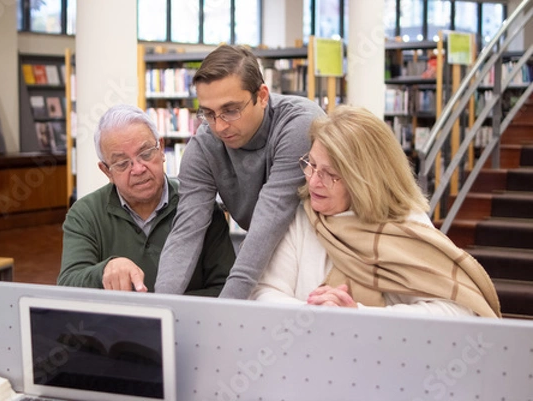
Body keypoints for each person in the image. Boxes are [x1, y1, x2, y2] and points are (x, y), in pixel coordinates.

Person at [250, 105, 501, 318]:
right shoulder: (302, 217)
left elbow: (457, 310)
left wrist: (358, 314)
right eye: (311, 165)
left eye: (331, 175)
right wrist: (314, 311)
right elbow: (265, 292)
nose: (313, 181)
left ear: (365, 180)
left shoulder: (407, 225)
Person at [156, 45, 326, 299]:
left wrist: (226, 313)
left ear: (263, 95)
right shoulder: (204, 145)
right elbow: (186, 232)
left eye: (231, 110)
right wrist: (160, 309)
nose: (220, 126)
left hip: (320, 249)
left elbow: (269, 219)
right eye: (209, 113)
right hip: (266, 254)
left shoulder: (300, 124)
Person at [58, 104, 235, 296]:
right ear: (107, 171)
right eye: (122, 163)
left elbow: (225, 288)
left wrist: (163, 308)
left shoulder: (199, 204)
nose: (138, 169)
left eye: (146, 153)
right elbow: (68, 285)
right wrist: (104, 271)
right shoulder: (85, 214)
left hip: (186, 324)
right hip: (118, 325)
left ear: (161, 149)